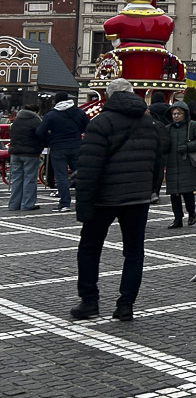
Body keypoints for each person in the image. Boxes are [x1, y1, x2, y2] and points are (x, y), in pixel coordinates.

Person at [71, 78, 162, 321]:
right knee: (134, 251)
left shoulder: (101, 122)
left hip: (104, 197)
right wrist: (151, 189)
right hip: (138, 197)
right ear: (133, 94)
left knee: (90, 248)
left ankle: (89, 301)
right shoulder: (148, 122)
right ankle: (126, 305)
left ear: (108, 96)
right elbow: (157, 160)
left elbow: (89, 167)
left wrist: (83, 204)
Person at [37, 91, 89, 212]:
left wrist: (49, 139)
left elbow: (40, 132)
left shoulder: (51, 115)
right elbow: (88, 127)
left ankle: (65, 203)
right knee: (80, 175)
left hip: (58, 147)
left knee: (61, 176)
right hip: (76, 146)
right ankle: (85, 201)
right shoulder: (79, 112)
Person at [163, 103, 196, 229]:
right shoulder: (168, 129)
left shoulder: (192, 126)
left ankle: (191, 213)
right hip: (172, 164)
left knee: (187, 192)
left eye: (178, 114)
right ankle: (178, 218)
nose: (176, 116)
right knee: (174, 194)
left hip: (187, 164)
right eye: (174, 114)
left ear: (184, 114)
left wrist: (188, 147)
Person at [6, 102, 44, 212]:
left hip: (15, 153)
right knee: (30, 179)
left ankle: (13, 204)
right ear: (36, 112)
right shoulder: (36, 121)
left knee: (16, 178)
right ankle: (27, 204)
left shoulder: (17, 120)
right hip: (30, 154)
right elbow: (41, 135)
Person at [147, 91, 172, 204]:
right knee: (160, 168)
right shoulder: (169, 108)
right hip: (165, 138)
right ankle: (156, 191)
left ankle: (150, 191)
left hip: (151, 138)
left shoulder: (149, 108)